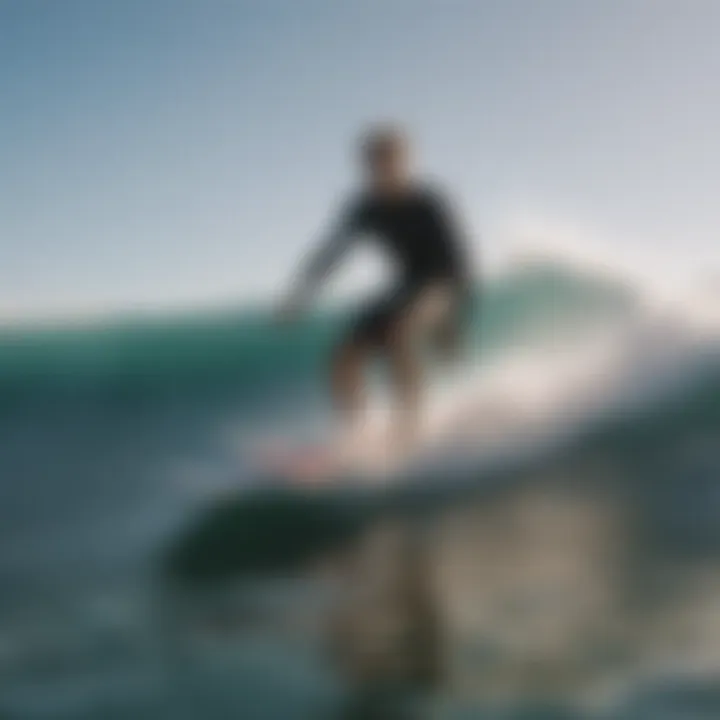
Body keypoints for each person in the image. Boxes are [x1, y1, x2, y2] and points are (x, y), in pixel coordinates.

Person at [278, 125, 475, 463]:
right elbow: (330, 253)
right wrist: (300, 295)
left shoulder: (428, 202)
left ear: (404, 162)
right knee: (342, 359)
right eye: (372, 163)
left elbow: (459, 264)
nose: (379, 169)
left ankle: (410, 429)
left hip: (442, 284)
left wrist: (449, 324)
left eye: (388, 161)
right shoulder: (364, 208)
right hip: (406, 286)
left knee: (397, 333)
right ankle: (356, 433)